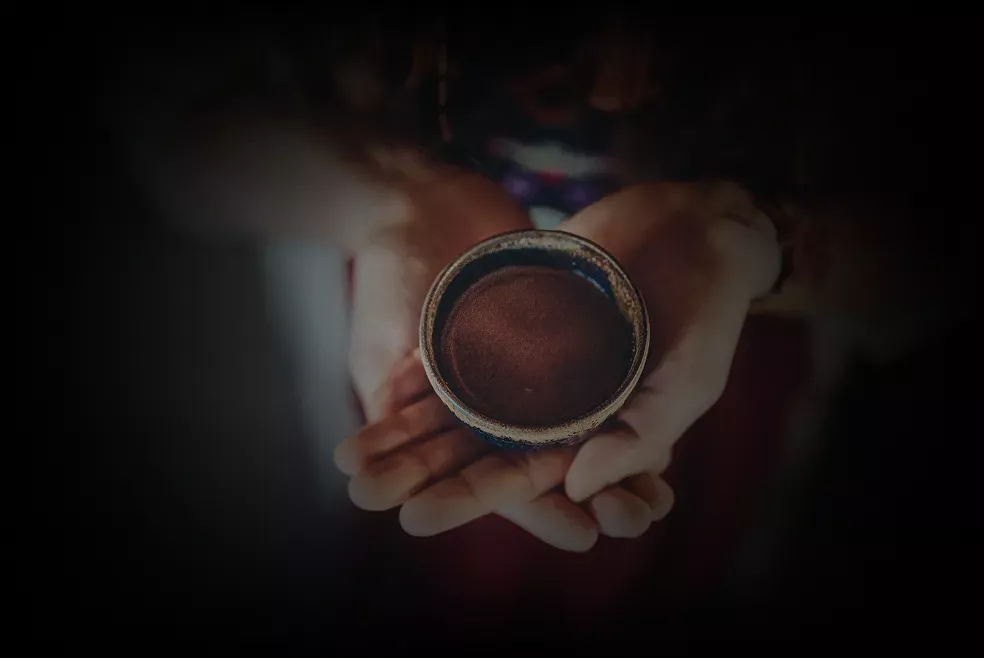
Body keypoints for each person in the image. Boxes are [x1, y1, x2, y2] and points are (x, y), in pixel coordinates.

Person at [121, 17, 957, 590]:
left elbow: (940, 256)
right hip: (391, 307)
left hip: (732, 357)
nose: (612, 90)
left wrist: (759, 243)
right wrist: (382, 204)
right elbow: (169, 132)